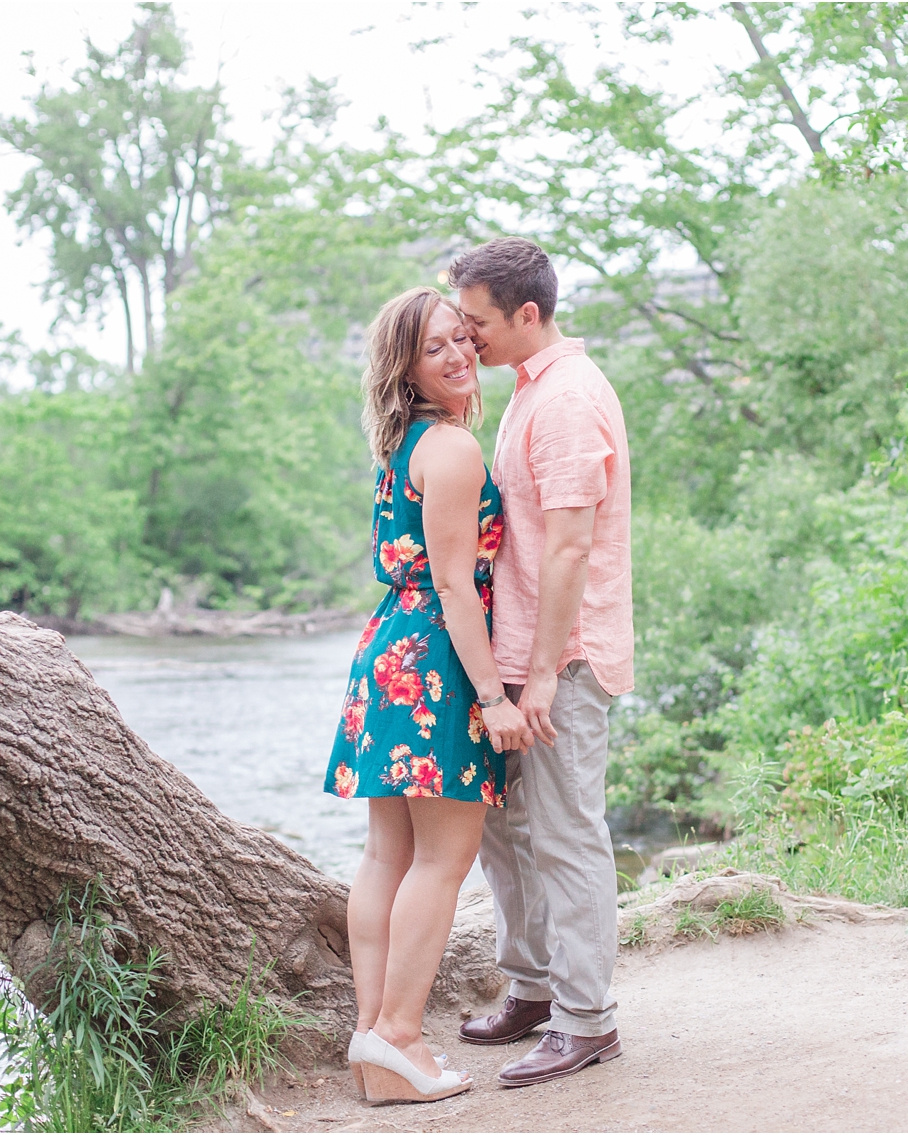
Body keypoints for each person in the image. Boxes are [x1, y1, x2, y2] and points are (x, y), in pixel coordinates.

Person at [324, 286, 534, 1104]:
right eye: (434, 347)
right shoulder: (450, 448)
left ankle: (375, 1041)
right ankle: (400, 1035)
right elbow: (455, 582)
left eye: (460, 338)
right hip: (439, 664)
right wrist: (496, 696)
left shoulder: (405, 443)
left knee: (389, 855)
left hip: (391, 651)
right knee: (441, 861)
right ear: (406, 369)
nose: (455, 355)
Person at [449, 238, 634, 1088]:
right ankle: (531, 987)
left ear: (528, 314)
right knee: (505, 830)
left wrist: (552, 671)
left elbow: (568, 550)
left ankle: (587, 1020)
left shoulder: (565, 400)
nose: (467, 335)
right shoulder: (530, 390)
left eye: (478, 321)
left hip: (560, 657)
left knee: (565, 835)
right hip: (517, 653)